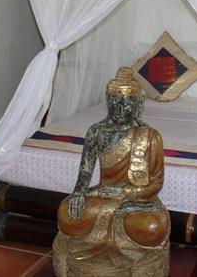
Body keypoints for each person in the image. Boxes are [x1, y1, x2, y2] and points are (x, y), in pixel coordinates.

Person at [53, 67, 170, 277]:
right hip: (102, 196)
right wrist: (79, 193)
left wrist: (126, 194)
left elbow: (156, 183)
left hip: (137, 202)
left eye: (126, 102)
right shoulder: (96, 131)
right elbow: (86, 170)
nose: (119, 108)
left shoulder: (150, 136)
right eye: (114, 102)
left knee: (153, 227)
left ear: (139, 104)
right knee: (65, 213)